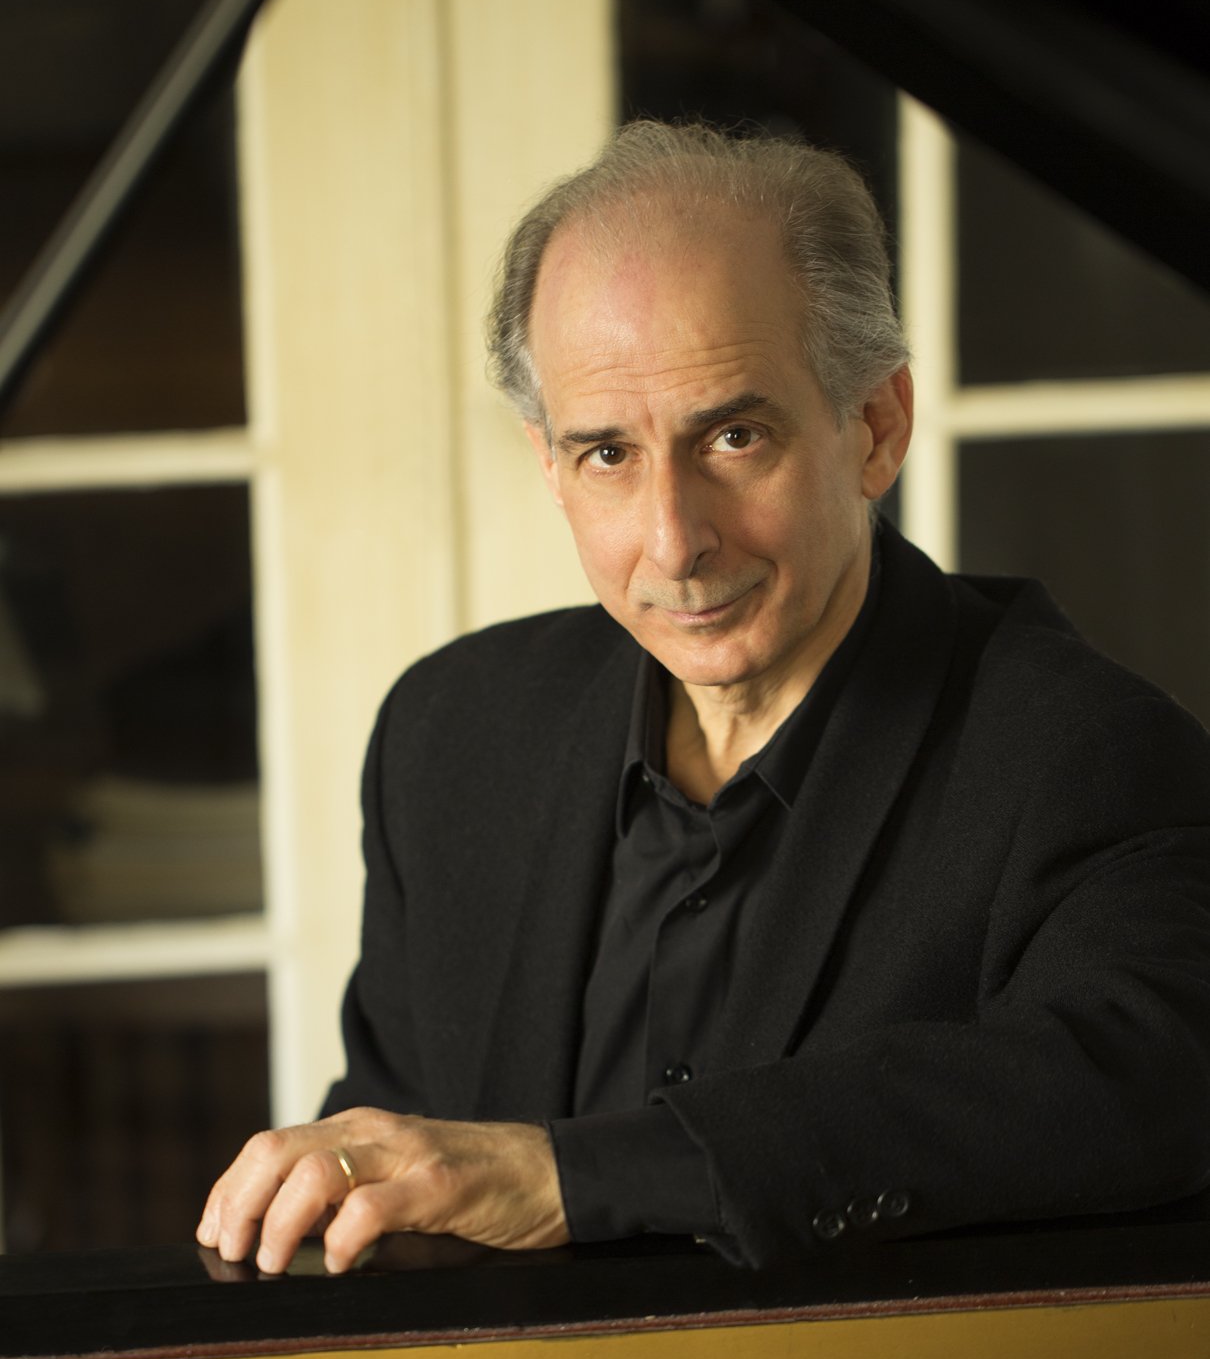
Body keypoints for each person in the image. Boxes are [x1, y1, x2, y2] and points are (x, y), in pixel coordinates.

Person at [197, 121, 1210, 1276]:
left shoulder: (1085, 753)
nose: (674, 542)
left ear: (875, 429)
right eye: (607, 455)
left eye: (733, 437)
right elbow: (394, 1172)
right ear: (549, 464)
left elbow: (1153, 1085)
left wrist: (574, 1175)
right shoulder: (453, 734)